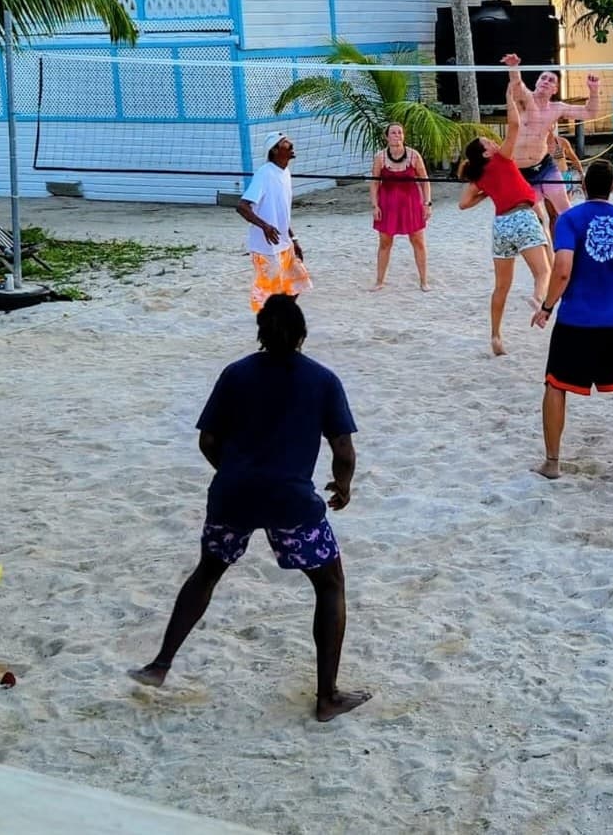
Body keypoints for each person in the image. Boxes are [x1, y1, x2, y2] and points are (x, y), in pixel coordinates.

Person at [127, 296, 370, 722]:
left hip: (232, 495)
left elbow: (207, 441)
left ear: (260, 333)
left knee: (207, 573)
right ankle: (327, 696)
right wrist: (343, 487)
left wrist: (238, 473)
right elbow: (343, 449)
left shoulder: (236, 374)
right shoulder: (322, 379)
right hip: (291, 500)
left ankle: (160, 665)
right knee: (329, 584)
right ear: (302, 335)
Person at [530, 159, 613, 480]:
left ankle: (553, 461)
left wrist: (546, 307)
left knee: (555, 386)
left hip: (576, 320)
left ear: (583, 186)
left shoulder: (569, 220)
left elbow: (562, 270)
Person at [458, 66, 551, 355]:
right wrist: (509, 96)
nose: (493, 141)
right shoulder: (501, 158)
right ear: (487, 152)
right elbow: (514, 126)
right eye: (488, 142)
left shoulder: (480, 175)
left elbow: (463, 204)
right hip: (523, 217)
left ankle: (496, 336)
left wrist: (487, 193)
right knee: (544, 271)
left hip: (500, 225)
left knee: (501, 287)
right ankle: (538, 300)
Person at [500, 53, 603, 197]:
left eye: (551, 80)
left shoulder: (557, 108)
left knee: (561, 207)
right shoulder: (526, 99)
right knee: (524, 212)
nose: (546, 81)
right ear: (536, 82)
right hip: (516, 168)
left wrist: (594, 91)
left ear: (555, 89)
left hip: (542, 165)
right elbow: (517, 85)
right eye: (543, 78)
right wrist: (513, 67)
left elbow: (589, 113)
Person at [236, 131, 312, 313]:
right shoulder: (264, 174)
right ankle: (270, 321)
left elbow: (282, 213)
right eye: (286, 143)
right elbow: (242, 206)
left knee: (298, 281)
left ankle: (283, 314)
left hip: (284, 243)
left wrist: (294, 240)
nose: (291, 145)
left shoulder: (285, 172)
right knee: (268, 294)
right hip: (266, 246)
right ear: (275, 150)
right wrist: (265, 227)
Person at [370, 123, 432, 292]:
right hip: (388, 203)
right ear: (387, 136)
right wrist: (375, 206)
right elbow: (375, 183)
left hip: (411, 203)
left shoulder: (413, 155)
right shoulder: (380, 157)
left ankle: (424, 281)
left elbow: (425, 181)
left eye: (400, 132)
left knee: (418, 241)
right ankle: (380, 281)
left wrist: (427, 203)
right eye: (393, 132)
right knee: (385, 243)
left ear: (403, 136)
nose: (397, 135)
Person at [539, 126, 585, 232]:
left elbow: (574, 159)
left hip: (564, 179)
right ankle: (555, 244)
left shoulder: (561, 142)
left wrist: (581, 174)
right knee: (553, 216)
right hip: (548, 181)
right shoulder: (539, 145)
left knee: (564, 214)